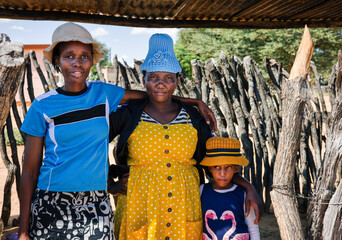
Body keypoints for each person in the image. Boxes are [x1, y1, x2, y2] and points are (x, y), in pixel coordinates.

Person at [18, 22, 215, 240]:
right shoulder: (43, 105)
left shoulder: (103, 94)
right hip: (52, 199)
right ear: (57, 60)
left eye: (84, 56)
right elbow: (29, 171)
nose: (77, 62)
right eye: (69, 56)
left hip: (96, 202)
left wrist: (194, 102)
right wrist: (23, 231)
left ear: (92, 60)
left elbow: (154, 95)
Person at [108, 33, 263, 240]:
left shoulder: (193, 117)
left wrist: (247, 185)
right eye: (153, 77)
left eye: (168, 78)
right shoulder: (129, 113)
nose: (161, 84)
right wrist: (108, 182)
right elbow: (93, 142)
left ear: (177, 81)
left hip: (185, 201)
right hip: (140, 200)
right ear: (143, 79)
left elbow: (215, 158)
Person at [200, 137, 260, 240]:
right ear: (209, 168)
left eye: (228, 167)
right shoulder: (201, 191)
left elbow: (253, 228)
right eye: (216, 167)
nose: (222, 173)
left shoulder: (243, 194)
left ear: (236, 168)